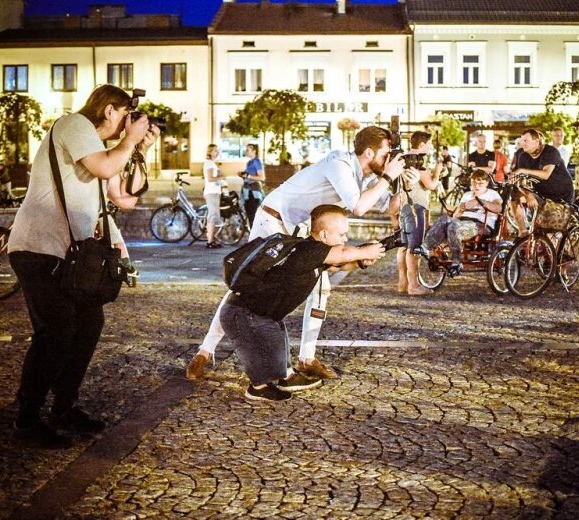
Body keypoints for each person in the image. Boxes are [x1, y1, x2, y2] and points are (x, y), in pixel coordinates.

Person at [187, 125, 415, 381]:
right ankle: (204, 352)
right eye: (387, 155)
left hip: (304, 230)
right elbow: (359, 207)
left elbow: (388, 206)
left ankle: (307, 358)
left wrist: (405, 187)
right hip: (274, 221)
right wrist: (387, 177)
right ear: (370, 153)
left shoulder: (367, 177)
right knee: (246, 286)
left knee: (321, 286)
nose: (390, 161)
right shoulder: (338, 162)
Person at [7, 84, 159, 449]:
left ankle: (63, 406)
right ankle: (26, 419)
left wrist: (141, 150)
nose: (128, 122)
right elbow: (105, 165)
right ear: (109, 110)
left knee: (89, 324)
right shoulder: (74, 126)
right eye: (126, 114)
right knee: (56, 330)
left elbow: (124, 197)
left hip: (71, 255)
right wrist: (128, 141)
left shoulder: (101, 149)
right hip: (38, 247)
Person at [221, 205, 386, 401]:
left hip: (261, 314)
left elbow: (338, 265)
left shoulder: (313, 253)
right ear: (324, 235)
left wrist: (361, 261)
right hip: (242, 314)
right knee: (258, 351)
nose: (344, 239)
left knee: (276, 341)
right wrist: (368, 250)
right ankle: (258, 387)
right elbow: (342, 254)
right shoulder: (309, 250)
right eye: (341, 235)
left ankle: (286, 376)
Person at [423, 169, 503, 275]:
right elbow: (456, 216)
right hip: (461, 222)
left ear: (487, 183)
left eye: (480, 184)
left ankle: (456, 262)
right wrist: (459, 211)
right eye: (474, 183)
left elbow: (498, 208)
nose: (477, 186)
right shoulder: (467, 195)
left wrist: (479, 201)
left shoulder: (492, 194)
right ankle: (425, 247)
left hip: (481, 225)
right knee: (443, 219)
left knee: (453, 226)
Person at [395, 131, 441, 296]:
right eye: (429, 144)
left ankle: (403, 282)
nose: (430, 147)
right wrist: (438, 171)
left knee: (404, 246)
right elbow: (431, 185)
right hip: (417, 207)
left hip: (403, 206)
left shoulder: (403, 159)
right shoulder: (419, 161)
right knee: (415, 248)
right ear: (422, 145)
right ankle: (413, 286)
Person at [511, 128, 575, 234]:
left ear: (536, 141)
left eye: (526, 141)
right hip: (542, 192)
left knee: (550, 230)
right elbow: (522, 181)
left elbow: (546, 174)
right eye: (522, 141)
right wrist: (529, 195)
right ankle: (522, 231)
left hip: (561, 194)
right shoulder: (523, 156)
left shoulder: (551, 152)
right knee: (513, 195)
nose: (523, 144)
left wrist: (522, 170)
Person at [203, 144, 224, 249]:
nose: (217, 152)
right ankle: (210, 241)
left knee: (213, 215)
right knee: (212, 215)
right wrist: (220, 176)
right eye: (215, 151)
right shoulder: (209, 163)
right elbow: (210, 178)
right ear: (210, 152)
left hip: (214, 192)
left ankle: (212, 238)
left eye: (217, 150)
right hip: (212, 192)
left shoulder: (212, 163)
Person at [240, 143, 265, 225]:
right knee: (249, 215)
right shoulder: (249, 162)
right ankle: (252, 235)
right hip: (247, 191)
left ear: (254, 151)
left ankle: (254, 236)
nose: (246, 151)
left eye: (248, 150)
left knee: (252, 216)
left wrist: (248, 176)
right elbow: (249, 176)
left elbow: (262, 177)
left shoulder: (257, 162)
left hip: (253, 192)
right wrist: (243, 175)